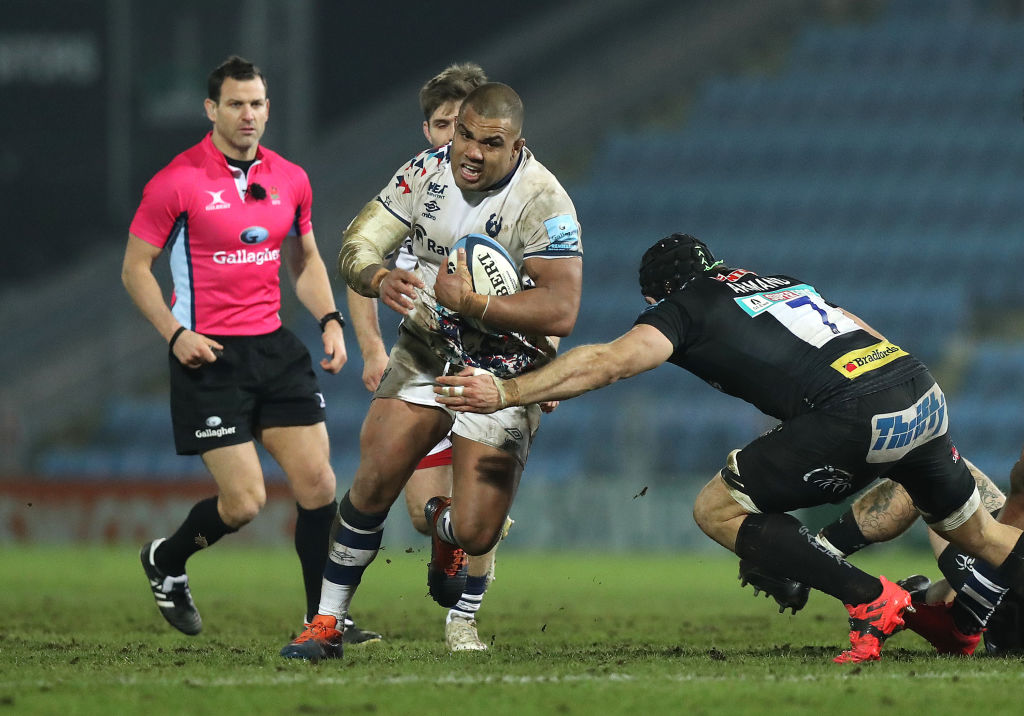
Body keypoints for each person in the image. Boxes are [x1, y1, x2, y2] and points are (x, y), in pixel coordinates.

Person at [434, 233, 1024, 663]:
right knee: (987, 538)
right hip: (919, 389)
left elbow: (611, 361)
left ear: (660, 292)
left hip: (854, 412)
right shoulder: (782, 282)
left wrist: (507, 390)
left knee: (716, 509)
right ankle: (905, 602)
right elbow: (859, 328)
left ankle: (870, 598)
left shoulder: (685, 305)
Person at [279, 81, 583, 661]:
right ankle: (326, 624)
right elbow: (357, 243)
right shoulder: (425, 171)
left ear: (517, 144)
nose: (470, 150)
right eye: (463, 134)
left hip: (506, 367)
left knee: (475, 530)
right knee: (372, 481)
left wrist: (474, 305)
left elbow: (562, 309)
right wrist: (375, 276)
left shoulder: (546, 201)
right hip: (428, 346)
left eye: (489, 143)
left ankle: (456, 563)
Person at [122, 55, 378, 644]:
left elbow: (305, 259)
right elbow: (135, 269)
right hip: (208, 356)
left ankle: (323, 620)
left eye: (257, 103)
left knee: (318, 485)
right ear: (212, 109)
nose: (248, 114)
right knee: (243, 503)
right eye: (235, 103)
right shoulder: (176, 181)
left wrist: (331, 319)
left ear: (268, 108)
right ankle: (166, 560)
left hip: (275, 350)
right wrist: (175, 334)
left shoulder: (291, 178)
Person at [345, 62, 513, 652]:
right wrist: (370, 348)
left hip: (488, 368)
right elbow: (361, 268)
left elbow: (546, 282)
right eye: (445, 124)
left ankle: (463, 622)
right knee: (423, 515)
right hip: (424, 369)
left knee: (480, 507)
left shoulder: (516, 195)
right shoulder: (418, 192)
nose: (454, 137)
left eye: (466, 126)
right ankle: (452, 534)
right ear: (428, 128)